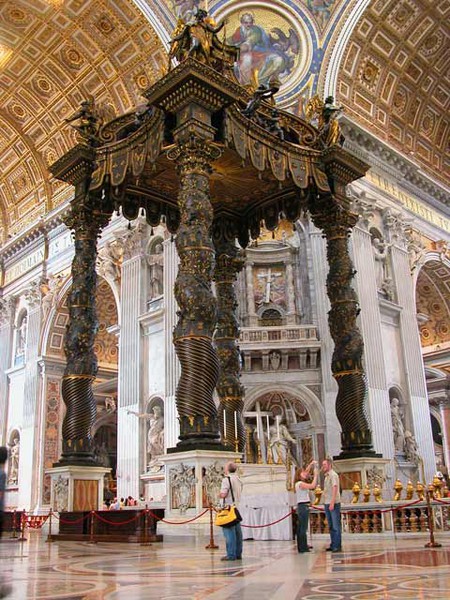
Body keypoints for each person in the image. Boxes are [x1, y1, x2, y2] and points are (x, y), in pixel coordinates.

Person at [219, 462, 243, 561]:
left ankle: (231, 554)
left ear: (227, 469)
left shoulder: (226, 480)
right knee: (237, 532)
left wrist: (219, 495)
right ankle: (238, 553)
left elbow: (224, 494)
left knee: (229, 533)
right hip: (236, 507)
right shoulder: (238, 479)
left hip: (228, 508)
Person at [295, 460, 318, 553]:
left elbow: (306, 472)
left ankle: (302, 546)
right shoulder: (300, 484)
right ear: (299, 475)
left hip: (302, 506)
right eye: (302, 473)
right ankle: (303, 547)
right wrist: (316, 475)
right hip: (303, 506)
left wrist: (311, 464)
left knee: (301, 527)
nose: (305, 474)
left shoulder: (298, 483)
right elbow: (312, 486)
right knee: (303, 528)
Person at [322, 457, 342, 552]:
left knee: (335, 525)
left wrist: (332, 502)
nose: (323, 466)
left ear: (329, 465)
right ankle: (333, 543)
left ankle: (337, 545)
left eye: (324, 465)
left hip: (333, 502)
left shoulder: (333, 475)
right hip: (327, 502)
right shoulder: (326, 476)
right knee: (330, 525)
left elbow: (335, 488)